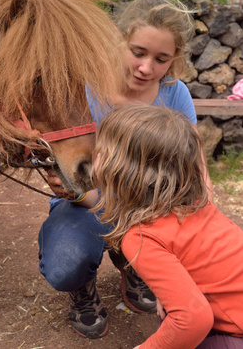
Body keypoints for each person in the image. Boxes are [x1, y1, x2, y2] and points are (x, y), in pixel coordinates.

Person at [38, 0, 213, 339]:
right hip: (89, 204)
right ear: (118, 42)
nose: (146, 67)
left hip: (151, 206)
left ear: (174, 59)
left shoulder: (174, 93)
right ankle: (84, 285)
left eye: (161, 59)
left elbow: (196, 170)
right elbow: (70, 181)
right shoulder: (83, 90)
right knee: (65, 265)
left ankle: (135, 268)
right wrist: (101, 204)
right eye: (137, 52)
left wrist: (201, 213)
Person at [93, 103, 243, 348]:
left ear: (121, 169)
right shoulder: (197, 204)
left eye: (100, 150)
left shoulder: (142, 236)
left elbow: (192, 320)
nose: (93, 155)